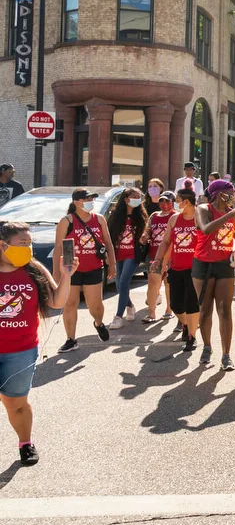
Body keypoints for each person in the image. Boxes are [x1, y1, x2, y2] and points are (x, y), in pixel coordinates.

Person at [0, 221, 75, 466]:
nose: (29, 249)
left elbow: (56, 302)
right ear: (3, 245)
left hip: (21, 352)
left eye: (30, 243)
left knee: (17, 404)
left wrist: (66, 276)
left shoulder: (34, 270)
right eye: (23, 244)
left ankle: (25, 443)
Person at [193, 180, 235, 371]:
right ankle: (207, 347)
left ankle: (226, 355)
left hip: (225, 264)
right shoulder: (203, 208)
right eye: (228, 192)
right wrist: (231, 214)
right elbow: (206, 229)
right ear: (217, 193)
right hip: (203, 265)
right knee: (205, 310)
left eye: (233, 192)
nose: (231, 196)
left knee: (225, 309)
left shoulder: (233, 214)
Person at [53, 189, 114, 352]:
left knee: (95, 306)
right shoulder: (67, 221)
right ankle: (71, 339)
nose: (90, 202)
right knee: (70, 304)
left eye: (91, 199)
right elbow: (59, 247)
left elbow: (108, 242)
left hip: (93, 267)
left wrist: (112, 264)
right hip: (71, 268)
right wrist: (56, 272)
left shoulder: (99, 219)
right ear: (76, 202)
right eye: (86, 199)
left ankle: (98, 323)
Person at [150, 189, 202, 351]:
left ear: (186, 202)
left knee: (192, 303)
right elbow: (166, 242)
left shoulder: (200, 217)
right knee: (176, 304)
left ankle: (192, 336)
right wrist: (159, 260)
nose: (176, 203)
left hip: (195, 268)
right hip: (176, 267)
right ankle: (186, 323)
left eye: (178, 200)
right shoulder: (174, 219)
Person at [105, 188, 147, 330]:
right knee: (119, 285)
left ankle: (118, 317)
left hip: (132, 254)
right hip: (118, 254)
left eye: (138, 197)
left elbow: (144, 235)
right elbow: (109, 236)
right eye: (133, 196)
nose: (136, 199)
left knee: (123, 282)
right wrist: (108, 256)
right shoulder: (116, 217)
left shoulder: (140, 216)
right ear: (126, 199)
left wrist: (143, 239)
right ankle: (129, 305)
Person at [141, 191, 175, 323]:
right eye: (161, 201)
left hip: (171, 256)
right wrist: (145, 235)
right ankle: (151, 313)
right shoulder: (154, 216)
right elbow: (148, 229)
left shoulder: (175, 216)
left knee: (168, 284)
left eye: (167, 201)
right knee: (153, 283)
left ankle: (169, 310)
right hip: (154, 255)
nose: (164, 204)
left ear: (173, 202)